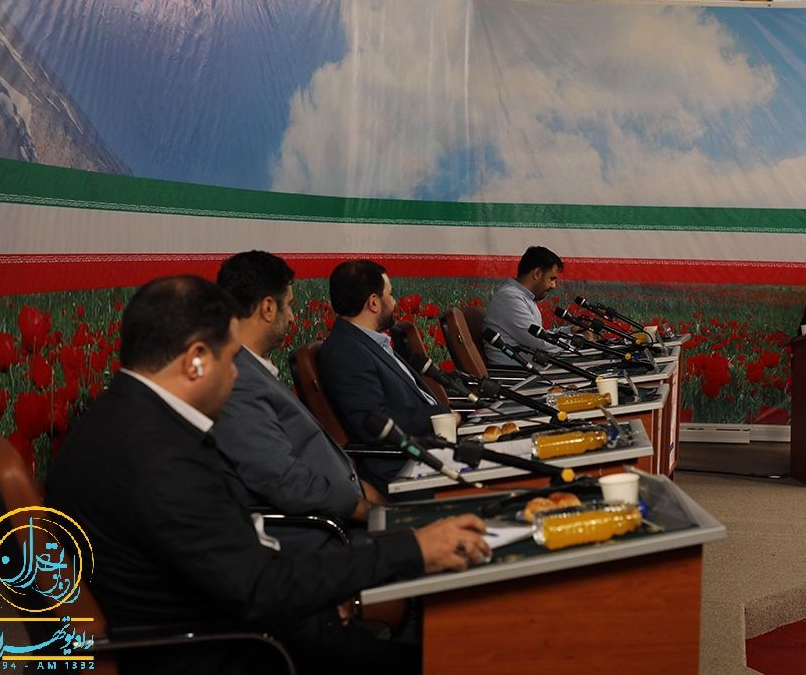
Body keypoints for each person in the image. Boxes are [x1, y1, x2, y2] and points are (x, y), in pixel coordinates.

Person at [46, 275, 490, 674]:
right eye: (230, 360)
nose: (235, 376)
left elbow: (226, 556)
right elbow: (259, 589)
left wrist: (320, 586)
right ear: (196, 360)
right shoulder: (158, 457)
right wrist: (412, 549)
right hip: (231, 650)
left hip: (230, 618)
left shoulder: (120, 420)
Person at [213, 251, 381, 536]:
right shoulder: (237, 381)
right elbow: (283, 481)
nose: (292, 317)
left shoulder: (252, 368)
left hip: (342, 515)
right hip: (325, 535)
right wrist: (365, 509)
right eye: (289, 305)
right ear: (268, 308)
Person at [319, 260, 451, 497]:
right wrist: (441, 417)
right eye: (389, 294)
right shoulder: (346, 352)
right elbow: (374, 423)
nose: (394, 302)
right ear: (373, 302)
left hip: (430, 449)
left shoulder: (368, 342)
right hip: (403, 467)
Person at [483, 246, 568, 367]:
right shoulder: (510, 298)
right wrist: (578, 340)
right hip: (515, 375)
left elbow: (540, 334)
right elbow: (540, 342)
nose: (554, 285)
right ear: (537, 273)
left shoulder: (524, 297)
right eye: (552, 279)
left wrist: (570, 331)